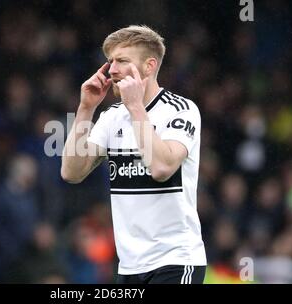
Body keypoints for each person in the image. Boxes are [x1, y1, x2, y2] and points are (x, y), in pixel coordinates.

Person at [61, 25, 207, 284]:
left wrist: (136, 107)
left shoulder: (181, 110)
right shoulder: (112, 117)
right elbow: (71, 172)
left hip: (176, 261)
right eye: (110, 62)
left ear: (149, 67)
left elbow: (161, 168)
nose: (112, 69)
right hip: (129, 267)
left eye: (122, 61)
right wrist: (85, 108)